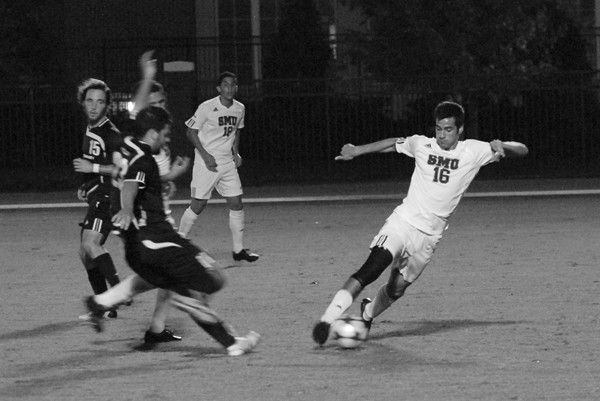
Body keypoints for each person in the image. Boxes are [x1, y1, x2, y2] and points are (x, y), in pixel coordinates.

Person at [312, 101, 529, 345]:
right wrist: (357, 150)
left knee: (396, 289)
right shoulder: (422, 144)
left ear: (460, 130)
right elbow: (393, 143)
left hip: (429, 237)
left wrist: (505, 147)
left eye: (448, 130)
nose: (442, 135)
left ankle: (367, 313)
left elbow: (523, 150)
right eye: (438, 129)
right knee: (372, 268)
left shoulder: (474, 151)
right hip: (402, 223)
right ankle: (327, 320)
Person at [84, 106, 261, 357]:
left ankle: (231, 343)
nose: (167, 139)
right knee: (214, 277)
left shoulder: (126, 146)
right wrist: (125, 208)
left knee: (155, 280)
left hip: (136, 249)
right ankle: (184, 300)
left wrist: (170, 176)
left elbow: (135, 180)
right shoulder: (144, 159)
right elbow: (132, 185)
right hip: (157, 241)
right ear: (153, 133)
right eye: (165, 134)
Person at [124, 50, 191, 344]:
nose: (163, 106)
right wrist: (148, 77)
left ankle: (155, 328)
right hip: (151, 222)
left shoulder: (159, 142)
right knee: (169, 272)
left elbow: (151, 180)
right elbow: (139, 179)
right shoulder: (143, 137)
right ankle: (111, 298)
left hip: (159, 216)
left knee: (166, 276)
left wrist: (166, 182)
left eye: (164, 101)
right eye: (157, 103)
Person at [177, 72, 259, 263]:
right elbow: (190, 132)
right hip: (207, 163)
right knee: (197, 205)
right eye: (225, 85)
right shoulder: (207, 107)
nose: (229, 88)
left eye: (233, 85)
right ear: (218, 88)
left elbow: (237, 131)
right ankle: (178, 244)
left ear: (236, 88)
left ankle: (238, 251)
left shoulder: (240, 108)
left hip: (227, 163)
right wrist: (205, 156)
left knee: (236, 203)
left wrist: (236, 152)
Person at [72, 78, 123, 320]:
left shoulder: (110, 134)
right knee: (84, 252)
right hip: (98, 194)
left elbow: (119, 170)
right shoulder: (90, 128)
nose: (94, 106)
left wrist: (91, 169)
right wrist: (87, 186)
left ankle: (118, 293)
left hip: (110, 196)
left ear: (107, 106)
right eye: (90, 100)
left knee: (91, 244)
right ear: (83, 103)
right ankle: (106, 307)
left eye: (100, 102)